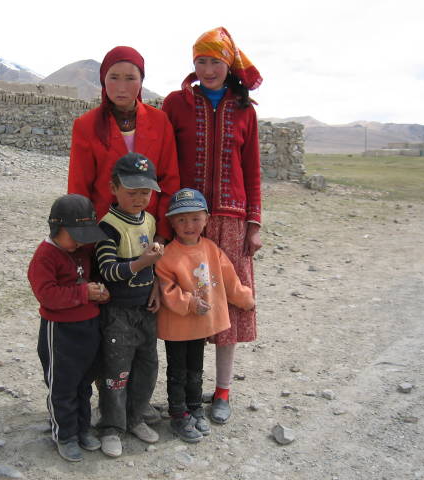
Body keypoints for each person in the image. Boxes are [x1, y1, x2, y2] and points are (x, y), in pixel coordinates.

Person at [162, 27, 263, 425]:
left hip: (233, 221)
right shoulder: (176, 103)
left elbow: (252, 169)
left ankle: (222, 390)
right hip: (186, 220)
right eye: (200, 61)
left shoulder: (246, 110)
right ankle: (185, 393)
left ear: (228, 64)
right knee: (188, 302)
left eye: (215, 61)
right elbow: (167, 159)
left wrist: (254, 222)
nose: (207, 69)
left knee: (228, 307)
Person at [156, 188, 255, 442]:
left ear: (206, 219)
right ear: (171, 222)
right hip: (177, 327)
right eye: (181, 219)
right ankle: (178, 414)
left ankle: (195, 408)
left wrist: (245, 299)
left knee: (196, 370)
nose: (189, 225)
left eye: (195, 218)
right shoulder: (167, 256)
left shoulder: (211, 249)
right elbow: (166, 290)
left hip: (199, 327)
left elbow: (230, 280)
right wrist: (189, 303)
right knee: (177, 371)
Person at [68, 45, 180, 243]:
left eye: (130, 78)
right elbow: (79, 187)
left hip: (149, 231)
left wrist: (162, 234)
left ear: (141, 81)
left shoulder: (159, 122)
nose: (121, 87)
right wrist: (84, 241)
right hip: (104, 232)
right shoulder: (86, 125)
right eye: (114, 77)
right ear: (103, 79)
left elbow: (169, 179)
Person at [27, 194, 109, 463]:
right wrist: (84, 293)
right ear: (55, 228)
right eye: (74, 235)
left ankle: (82, 429)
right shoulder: (45, 257)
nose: (80, 241)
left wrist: (100, 291)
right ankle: (65, 435)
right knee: (63, 385)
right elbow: (48, 295)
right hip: (60, 333)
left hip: (88, 327)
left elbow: (90, 278)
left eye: (84, 236)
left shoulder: (81, 250)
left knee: (84, 384)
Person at [94, 153, 165, 457]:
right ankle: (112, 427)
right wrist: (142, 262)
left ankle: (134, 417)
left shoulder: (148, 220)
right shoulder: (107, 227)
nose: (139, 198)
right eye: (132, 191)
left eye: (145, 192)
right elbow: (108, 270)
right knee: (116, 371)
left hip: (145, 312)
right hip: (117, 314)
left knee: (147, 366)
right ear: (114, 188)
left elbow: (152, 264)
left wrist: (156, 286)